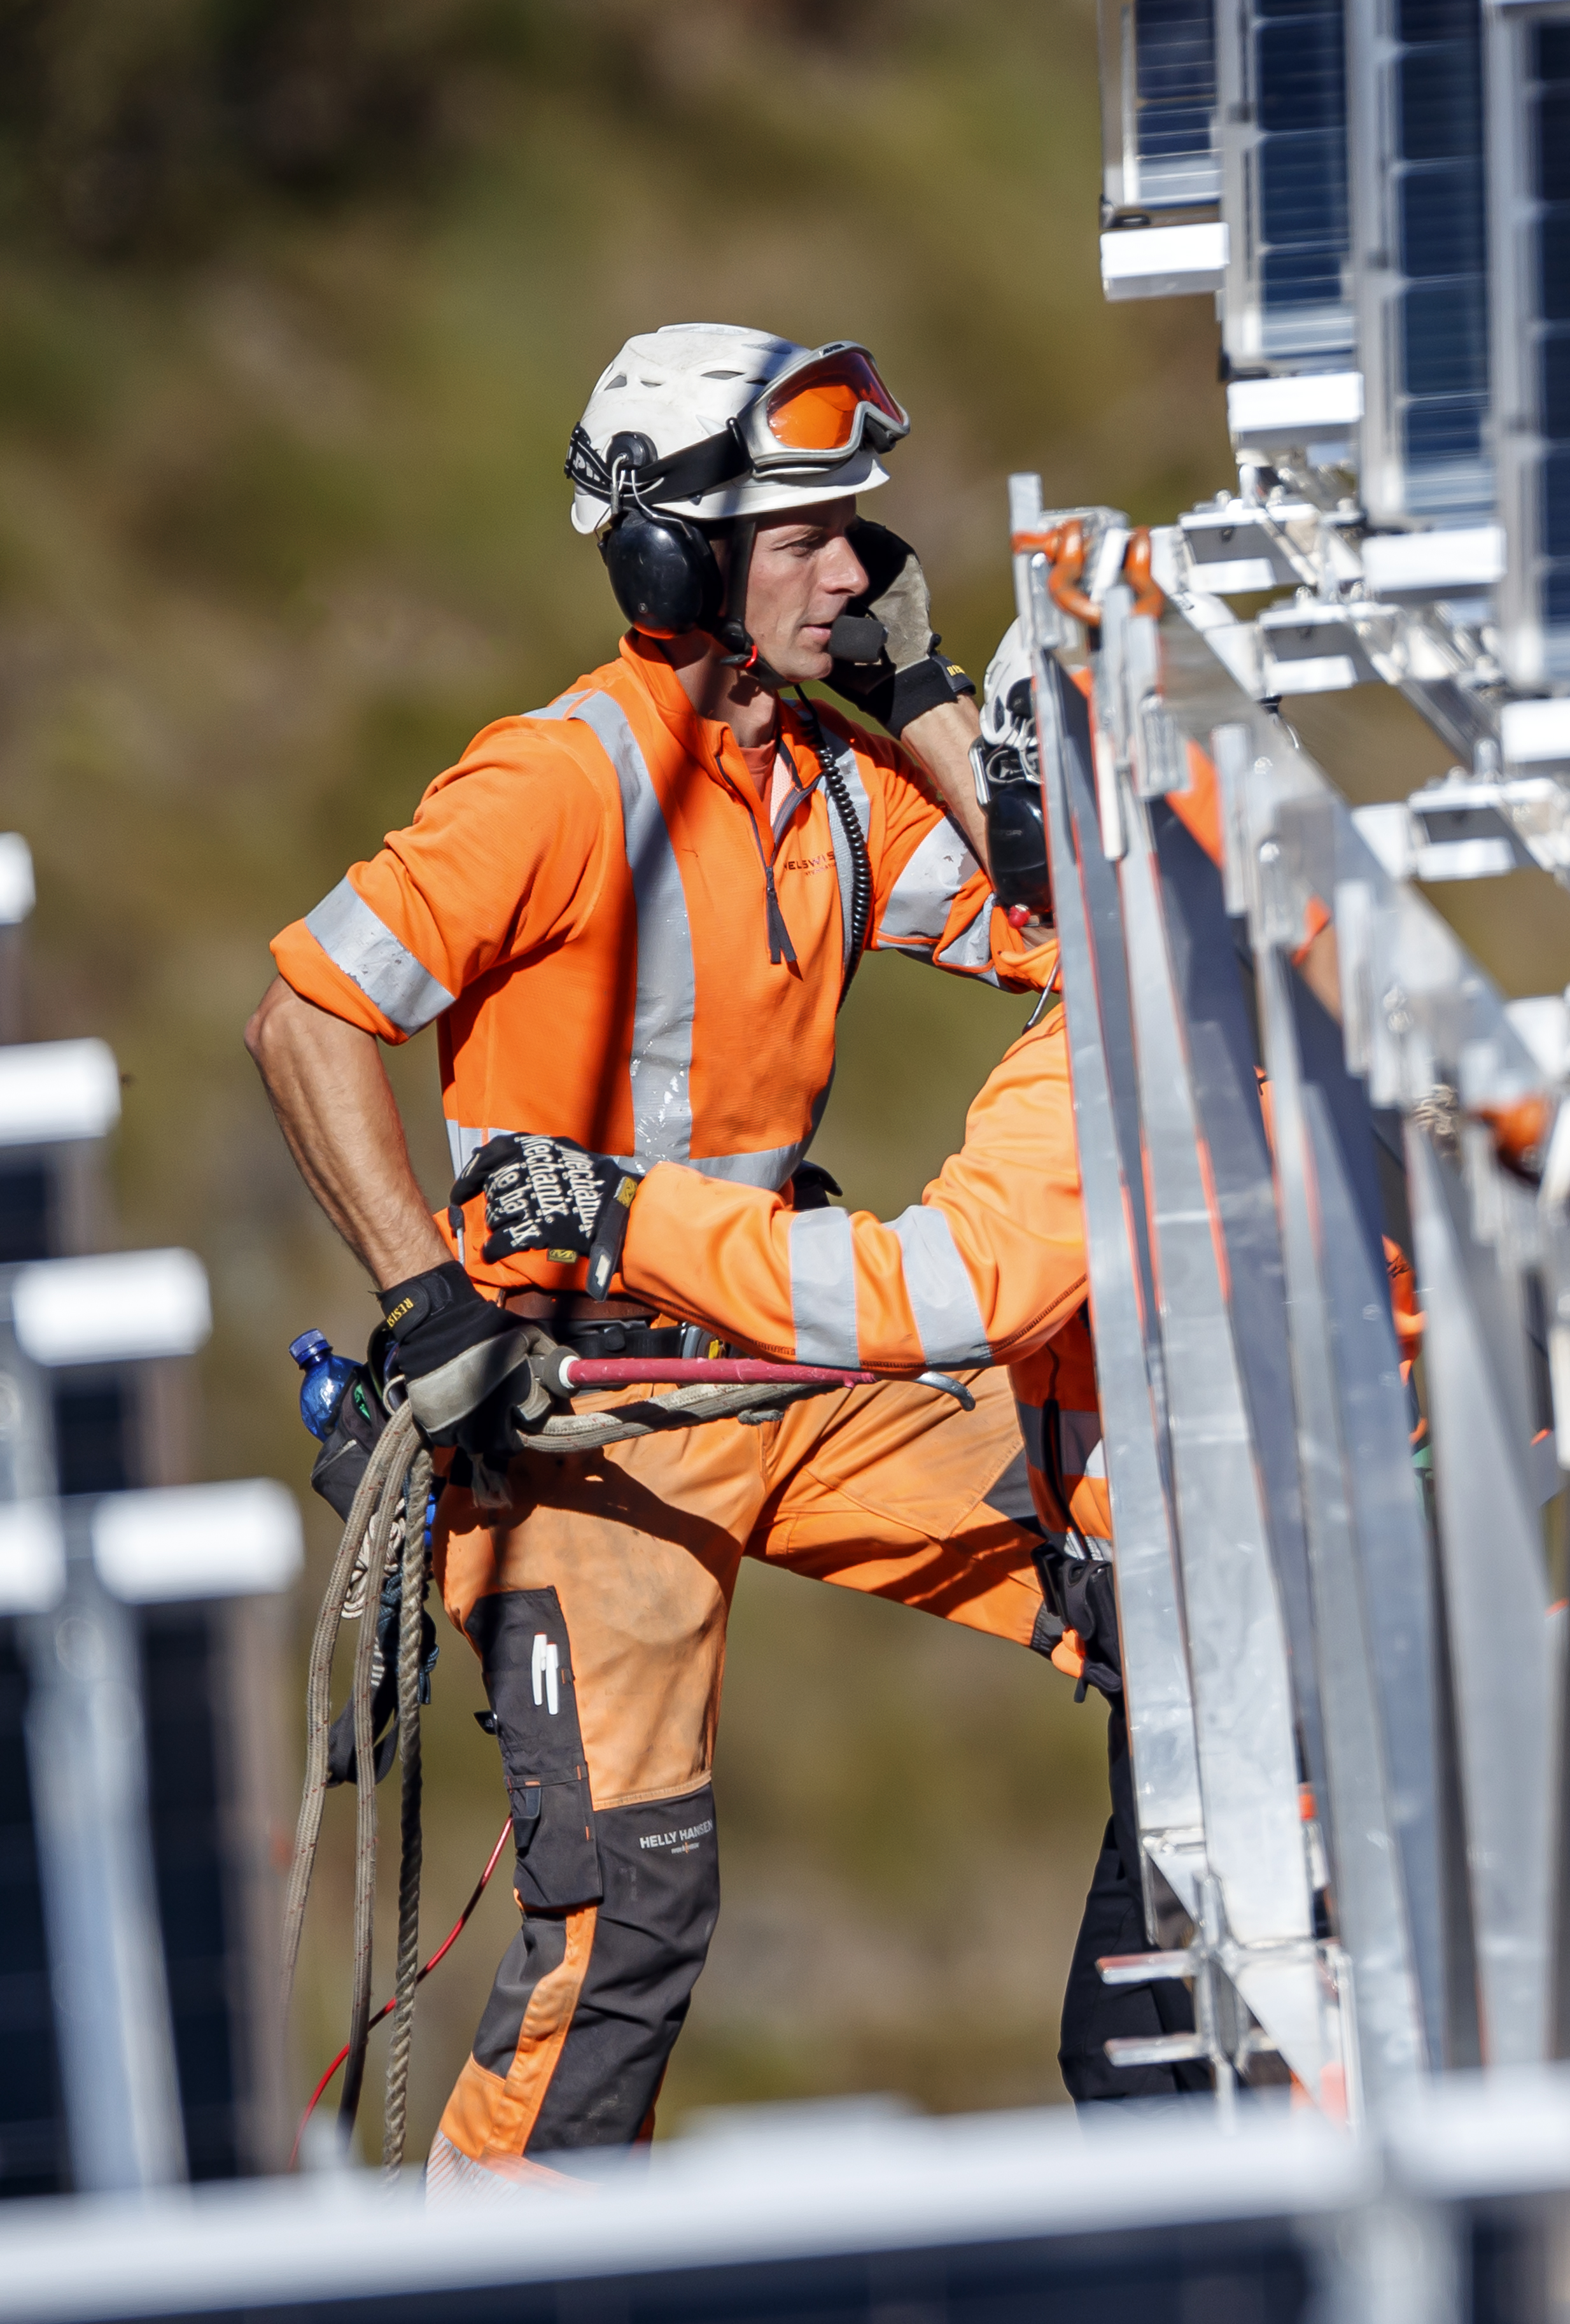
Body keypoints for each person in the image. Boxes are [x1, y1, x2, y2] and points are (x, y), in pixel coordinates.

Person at [246, 327, 1083, 2183]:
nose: (851, 568)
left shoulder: (834, 793)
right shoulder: (551, 785)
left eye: (859, 533)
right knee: (623, 1946)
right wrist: (425, 1294)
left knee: (1145, 1589)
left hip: (781, 1362)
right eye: (802, 537)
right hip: (577, 1422)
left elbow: (1075, 930)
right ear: (665, 557)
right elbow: (307, 1018)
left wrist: (931, 694)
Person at [458, 623, 1413, 2102]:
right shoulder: (1326, 934)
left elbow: (928, 1292)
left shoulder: (1126, 1043)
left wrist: (622, 1211)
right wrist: (928, 700)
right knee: (1144, 2053)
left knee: (1224, 2075)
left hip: (1261, 1645)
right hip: (1316, 1600)